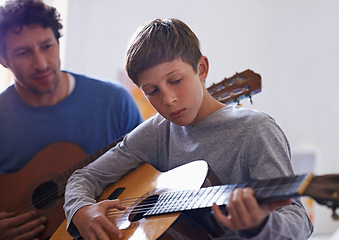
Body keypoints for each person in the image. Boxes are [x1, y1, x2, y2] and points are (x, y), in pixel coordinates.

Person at [63, 18, 314, 239]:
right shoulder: (156, 132)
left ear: (201, 68)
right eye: (152, 91)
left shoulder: (256, 130)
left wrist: (262, 225)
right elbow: (84, 177)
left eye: (175, 80)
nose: (169, 99)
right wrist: (80, 210)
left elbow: (299, 222)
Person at [0, 0, 142, 239]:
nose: (41, 63)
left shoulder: (114, 101)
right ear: (4, 60)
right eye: (23, 53)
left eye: (47, 46)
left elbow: (149, 172)